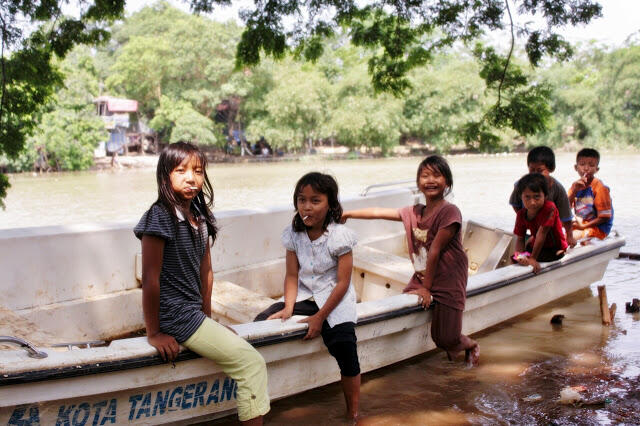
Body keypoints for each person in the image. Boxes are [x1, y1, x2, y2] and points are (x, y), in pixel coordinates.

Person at [134, 141, 269, 425]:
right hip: (175, 317)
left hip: (192, 316)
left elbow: (206, 273)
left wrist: (208, 321)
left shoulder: (199, 217)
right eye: (181, 170)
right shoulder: (159, 217)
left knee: (245, 356)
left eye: (197, 171)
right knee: (251, 363)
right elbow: (150, 279)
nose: (191, 178)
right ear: (165, 176)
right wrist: (154, 333)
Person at [342, 155, 479, 366]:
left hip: (449, 278)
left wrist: (426, 289)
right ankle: (452, 357)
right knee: (406, 304)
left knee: (445, 338)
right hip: (424, 275)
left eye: (437, 175)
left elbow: (434, 251)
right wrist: (348, 213)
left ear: (448, 183)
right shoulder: (414, 212)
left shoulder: (449, 212)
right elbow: (379, 212)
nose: (430, 180)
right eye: (425, 176)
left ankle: (469, 345)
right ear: (418, 183)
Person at [254, 172, 361, 420]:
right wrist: (288, 307)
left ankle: (353, 415)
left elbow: (343, 282)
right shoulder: (293, 234)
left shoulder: (340, 236)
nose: (307, 206)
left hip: (335, 299)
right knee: (262, 319)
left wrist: (320, 317)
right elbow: (292, 275)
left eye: (315, 200)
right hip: (304, 296)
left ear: (331, 204)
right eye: (302, 200)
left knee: (345, 345)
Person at [509, 146, 576, 247]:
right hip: (531, 226)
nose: (535, 174)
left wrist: (570, 236)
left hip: (549, 228)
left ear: (551, 169)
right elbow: (515, 204)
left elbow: (566, 215)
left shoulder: (557, 188)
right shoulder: (520, 185)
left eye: (540, 170)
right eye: (532, 170)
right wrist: (525, 220)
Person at [513, 173, 568, 274]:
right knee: (515, 257)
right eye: (527, 197)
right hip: (538, 247)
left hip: (554, 249)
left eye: (537, 197)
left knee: (529, 258)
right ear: (521, 197)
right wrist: (520, 256)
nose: (532, 202)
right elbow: (520, 238)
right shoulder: (521, 214)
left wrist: (532, 259)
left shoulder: (549, 208)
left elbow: (541, 233)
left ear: (545, 196)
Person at [568, 148, 613, 241]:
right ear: (576, 168)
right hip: (582, 224)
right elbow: (566, 208)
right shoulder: (575, 186)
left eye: (591, 165)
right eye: (582, 164)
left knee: (570, 237)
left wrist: (583, 226)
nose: (586, 168)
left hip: (599, 228)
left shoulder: (599, 188)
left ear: (597, 169)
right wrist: (574, 192)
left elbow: (604, 217)